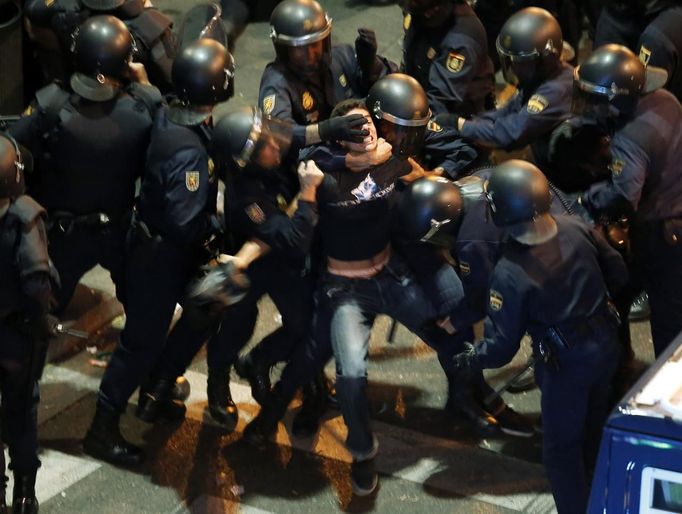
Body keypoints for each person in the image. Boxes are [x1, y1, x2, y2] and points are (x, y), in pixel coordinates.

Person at [82, 38, 234, 465]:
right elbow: (187, 223)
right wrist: (216, 231)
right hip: (161, 256)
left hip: (158, 247)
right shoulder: (187, 153)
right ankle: (102, 428)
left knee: (210, 305)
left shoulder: (169, 110)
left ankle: (158, 388)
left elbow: (151, 94)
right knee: (140, 344)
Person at [451, 160, 627, 514]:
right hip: (607, 345)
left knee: (560, 451)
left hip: (567, 367)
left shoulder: (510, 272)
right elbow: (619, 273)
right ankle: (602, 492)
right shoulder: (575, 226)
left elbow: (501, 347)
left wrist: (473, 355)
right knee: (595, 424)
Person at [140, 107, 325, 431]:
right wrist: (307, 194)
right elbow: (293, 238)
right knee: (224, 318)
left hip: (281, 262)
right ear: (246, 160)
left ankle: (259, 361)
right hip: (246, 262)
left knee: (304, 323)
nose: (273, 147)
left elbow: (295, 136)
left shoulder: (275, 157)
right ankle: (206, 381)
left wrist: (330, 128)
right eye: (263, 146)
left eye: (270, 139)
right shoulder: (246, 196)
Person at [10, 15, 160, 312]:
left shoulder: (51, 107)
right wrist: (146, 87)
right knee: (142, 304)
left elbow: (12, 145)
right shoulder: (144, 110)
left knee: (42, 310)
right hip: (119, 230)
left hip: (63, 236)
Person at [573, 44, 682, 356]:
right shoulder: (665, 101)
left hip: (664, 232)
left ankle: (660, 397)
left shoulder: (629, 139)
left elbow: (624, 195)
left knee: (668, 321)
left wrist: (589, 198)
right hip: (674, 204)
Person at [436, 7, 574, 188]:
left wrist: (461, 126)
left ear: (541, 60)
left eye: (518, 63)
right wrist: (469, 121)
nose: (513, 68)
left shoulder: (555, 91)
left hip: (569, 180)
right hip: (547, 157)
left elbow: (510, 134)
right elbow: (508, 111)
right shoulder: (542, 77)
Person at [0, 133, 57, 514]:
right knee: (21, 412)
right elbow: (38, 281)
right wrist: (41, 317)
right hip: (15, 337)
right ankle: (24, 492)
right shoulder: (24, 217)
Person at [23, 0, 177, 92]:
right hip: (131, 108)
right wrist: (146, 88)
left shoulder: (60, 12)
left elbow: (33, 18)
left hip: (74, 93)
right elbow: (172, 86)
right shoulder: (151, 25)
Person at [399, 0, 495, 117]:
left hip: (455, 115)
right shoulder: (417, 11)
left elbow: (439, 103)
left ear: (431, 11)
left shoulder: (461, 41)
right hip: (418, 90)